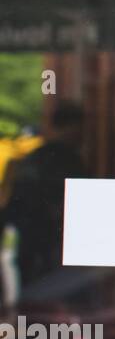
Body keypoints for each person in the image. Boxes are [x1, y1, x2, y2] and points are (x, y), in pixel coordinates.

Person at [0, 102, 89, 292]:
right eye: (81, 128)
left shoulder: (34, 158)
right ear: (71, 126)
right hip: (51, 247)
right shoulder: (65, 160)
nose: (84, 135)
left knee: (35, 306)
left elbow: (13, 204)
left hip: (32, 245)